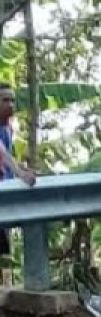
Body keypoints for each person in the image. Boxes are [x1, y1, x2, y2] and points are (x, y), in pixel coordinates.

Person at [0, 84, 37, 281]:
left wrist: (22, 169)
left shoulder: (7, 128)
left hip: (6, 192)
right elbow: (3, 154)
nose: (11, 104)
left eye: (12, 100)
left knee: (4, 250)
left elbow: (9, 156)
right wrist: (21, 174)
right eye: (5, 100)